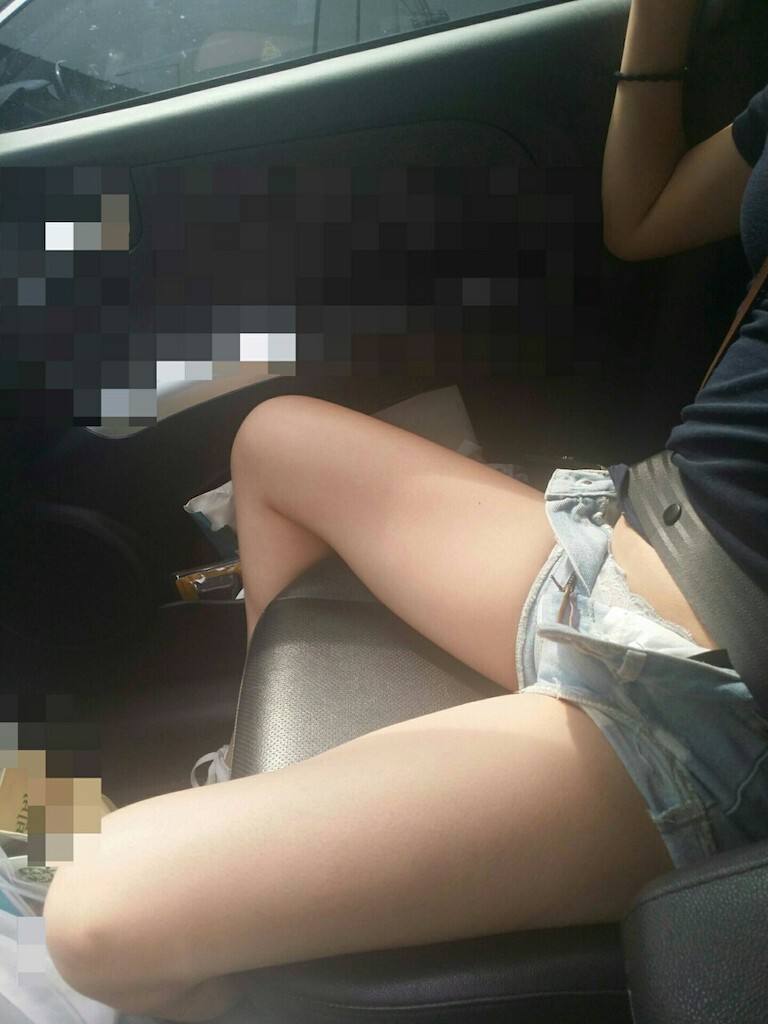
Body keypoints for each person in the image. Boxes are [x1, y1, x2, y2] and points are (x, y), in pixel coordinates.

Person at [41, 0, 768, 1020]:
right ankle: (256, 814)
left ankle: (246, 935)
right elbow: (642, 219)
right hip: (641, 531)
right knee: (274, 443)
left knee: (92, 911)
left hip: (715, 695)